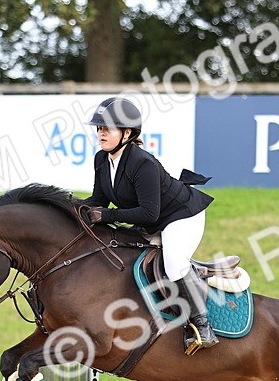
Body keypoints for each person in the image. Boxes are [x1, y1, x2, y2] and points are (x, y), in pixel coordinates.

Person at [82, 97, 218, 354]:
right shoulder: (102, 160)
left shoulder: (141, 162)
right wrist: (73, 208)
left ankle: (202, 324)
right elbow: (99, 200)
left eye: (106, 129)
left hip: (181, 217)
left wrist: (107, 217)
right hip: (152, 220)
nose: (101, 134)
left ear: (127, 133)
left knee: (174, 262)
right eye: (99, 128)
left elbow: (148, 212)